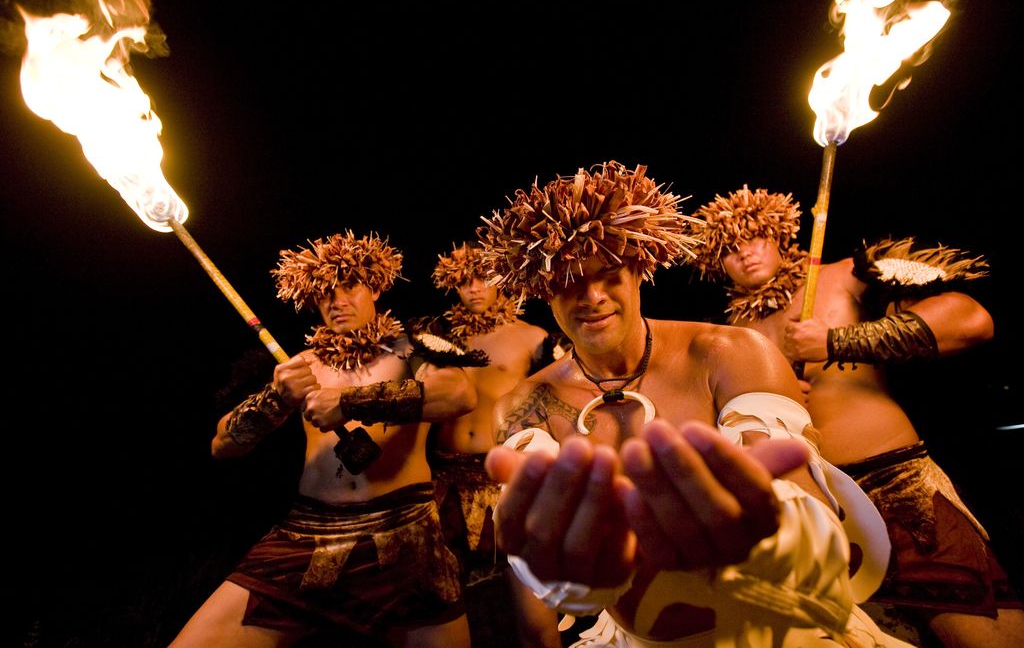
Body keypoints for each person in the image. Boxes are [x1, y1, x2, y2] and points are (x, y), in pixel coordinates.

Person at [475, 161, 908, 647]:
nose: (591, 296)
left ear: (638, 269)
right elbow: (543, 541)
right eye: (568, 280)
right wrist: (563, 568)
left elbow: (808, 510)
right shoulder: (525, 404)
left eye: (609, 274)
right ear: (542, 290)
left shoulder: (730, 352)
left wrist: (778, 533)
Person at [687, 184, 1024, 647]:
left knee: (984, 637)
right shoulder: (731, 336)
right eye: (729, 248)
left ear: (780, 235)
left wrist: (834, 342)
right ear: (714, 264)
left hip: (896, 484)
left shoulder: (845, 275)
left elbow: (969, 319)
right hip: (808, 507)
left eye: (756, 236)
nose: (745, 252)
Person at [171, 230, 478, 648]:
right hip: (306, 536)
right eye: (324, 292)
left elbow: (459, 395)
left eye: (349, 285)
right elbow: (222, 444)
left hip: (405, 535)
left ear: (375, 286)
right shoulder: (298, 364)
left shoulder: (412, 347)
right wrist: (275, 399)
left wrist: (349, 403)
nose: (337, 300)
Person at [418, 240, 566, 647]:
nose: (473, 288)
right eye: (463, 281)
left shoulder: (532, 337)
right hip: (445, 481)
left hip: (504, 476)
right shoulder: (436, 340)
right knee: (447, 610)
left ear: (500, 280)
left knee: (533, 612)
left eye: (481, 278)